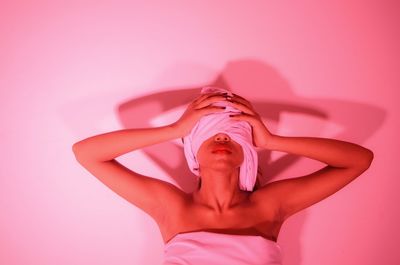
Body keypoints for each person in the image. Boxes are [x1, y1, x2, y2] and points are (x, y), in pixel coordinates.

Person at [72, 87, 374, 265]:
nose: (221, 139)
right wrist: (174, 130)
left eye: (232, 134)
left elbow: (359, 160)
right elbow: (86, 153)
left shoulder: (269, 205)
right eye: (209, 133)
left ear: (249, 152)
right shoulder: (171, 207)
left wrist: (271, 141)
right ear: (192, 151)